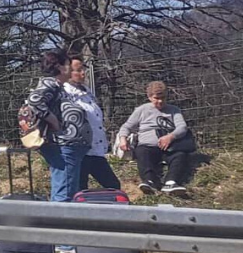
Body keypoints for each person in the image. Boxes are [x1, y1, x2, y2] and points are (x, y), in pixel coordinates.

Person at [20, 50, 92, 202]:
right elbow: (35, 100)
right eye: (68, 65)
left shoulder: (59, 87)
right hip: (62, 145)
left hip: (67, 146)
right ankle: (59, 223)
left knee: (68, 191)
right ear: (60, 67)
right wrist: (53, 121)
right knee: (64, 193)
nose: (71, 69)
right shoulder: (51, 83)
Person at [116, 81, 197, 196]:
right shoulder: (142, 110)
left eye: (163, 98)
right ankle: (149, 181)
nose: (160, 101)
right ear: (149, 97)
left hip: (169, 147)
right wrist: (123, 139)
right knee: (142, 153)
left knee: (180, 156)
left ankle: (171, 181)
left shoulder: (174, 110)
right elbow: (127, 126)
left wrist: (171, 137)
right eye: (156, 98)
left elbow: (182, 127)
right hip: (148, 146)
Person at [65, 58, 122, 190]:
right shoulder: (65, 94)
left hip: (95, 150)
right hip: (79, 151)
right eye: (78, 70)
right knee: (79, 189)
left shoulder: (87, 93)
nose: (83, 73)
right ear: (67, 72)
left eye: (83, 69)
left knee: (113, 186)